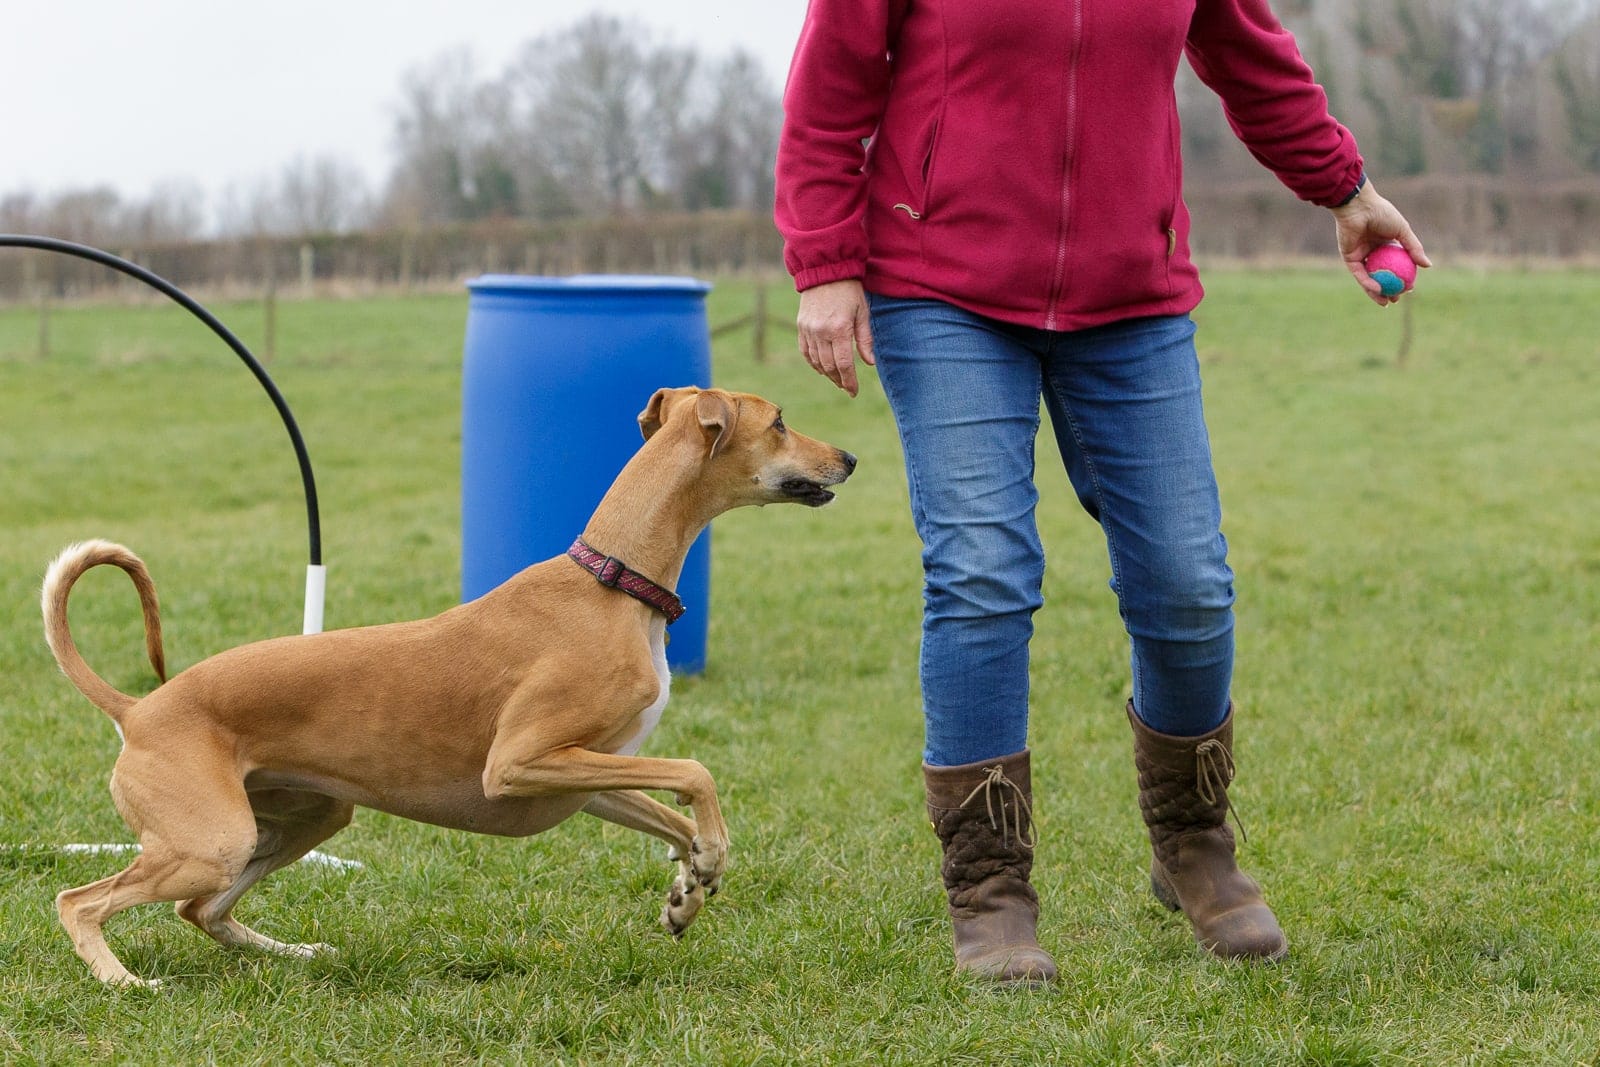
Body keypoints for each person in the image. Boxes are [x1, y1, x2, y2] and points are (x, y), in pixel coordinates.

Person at [774, 0, 1429, 984]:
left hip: (1131, 294)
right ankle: (990, 887)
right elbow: (830, 91)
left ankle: (1193, 842)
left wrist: (1346, 188)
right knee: (982, 569)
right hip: (938, 285)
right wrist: (825, 264)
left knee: (1185, 580)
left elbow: (1251, 59)